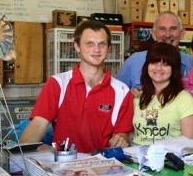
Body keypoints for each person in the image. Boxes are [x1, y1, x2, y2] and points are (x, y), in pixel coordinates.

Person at [19, 20, 134, 153]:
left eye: (101, 44)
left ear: (108, 48)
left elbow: (122, 133)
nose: (96, 50)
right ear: (77, 47)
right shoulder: (57, 84)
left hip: (104, 166)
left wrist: (120, 138)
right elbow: (37, 126)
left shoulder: (122, 90)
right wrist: (27, 149)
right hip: (65, 165)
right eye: (89, 44)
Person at [131, 42, 193, 146]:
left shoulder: (185, 99)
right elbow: (129, 137)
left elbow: (189, 145)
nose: (158, 68)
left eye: (165, 64)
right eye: (154, 62)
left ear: (174, 69)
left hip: (169, 160)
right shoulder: (136, 97)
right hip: (136, 159)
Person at [115, 11, 193, 96]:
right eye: (162, 29)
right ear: (153, 34)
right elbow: (115, 94)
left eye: (173, 29)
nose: (167, 34)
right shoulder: (134, 61)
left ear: (182, 34)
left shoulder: (191, 63)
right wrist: (127, 96)